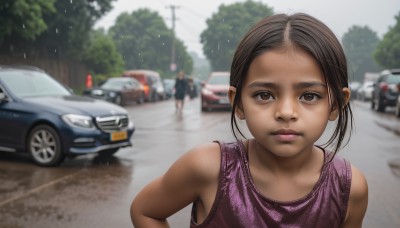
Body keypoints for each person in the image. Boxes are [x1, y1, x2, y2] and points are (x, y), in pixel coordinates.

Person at [130, 13, 368, 227]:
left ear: (336, 104)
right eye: (264, 95)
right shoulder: (207, 168)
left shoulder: (349, 187)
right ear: (238, 103)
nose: (286, 112)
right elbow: (145, 211)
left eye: (309, 96)